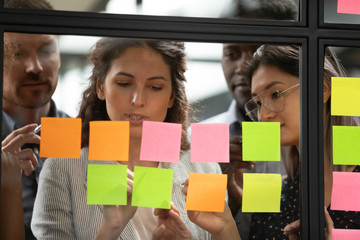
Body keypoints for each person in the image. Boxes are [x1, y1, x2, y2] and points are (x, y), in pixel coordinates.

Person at [31, 38, 230, 239]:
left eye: (155, 87)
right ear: (101, 87)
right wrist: (109, 231)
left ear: (171, 97)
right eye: (124, 83)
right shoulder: (62, 169)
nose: (138, 100)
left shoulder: (205, 168)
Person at [201, 0, 298, 239]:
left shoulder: (321, 143)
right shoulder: (197, 139)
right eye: (231, 53)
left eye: (257, 50)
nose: (243, 66)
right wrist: (221, 195)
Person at [244, 45, 360, 239]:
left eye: (276, 94)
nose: (264, 115)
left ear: (322, 88)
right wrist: (224, 228)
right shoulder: (271, 191)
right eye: (257, 103)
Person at [1, 1, 69, 239]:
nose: (35, 67)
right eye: (18, 53)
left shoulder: (85, 139)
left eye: (46, 51)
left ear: (59, 56)